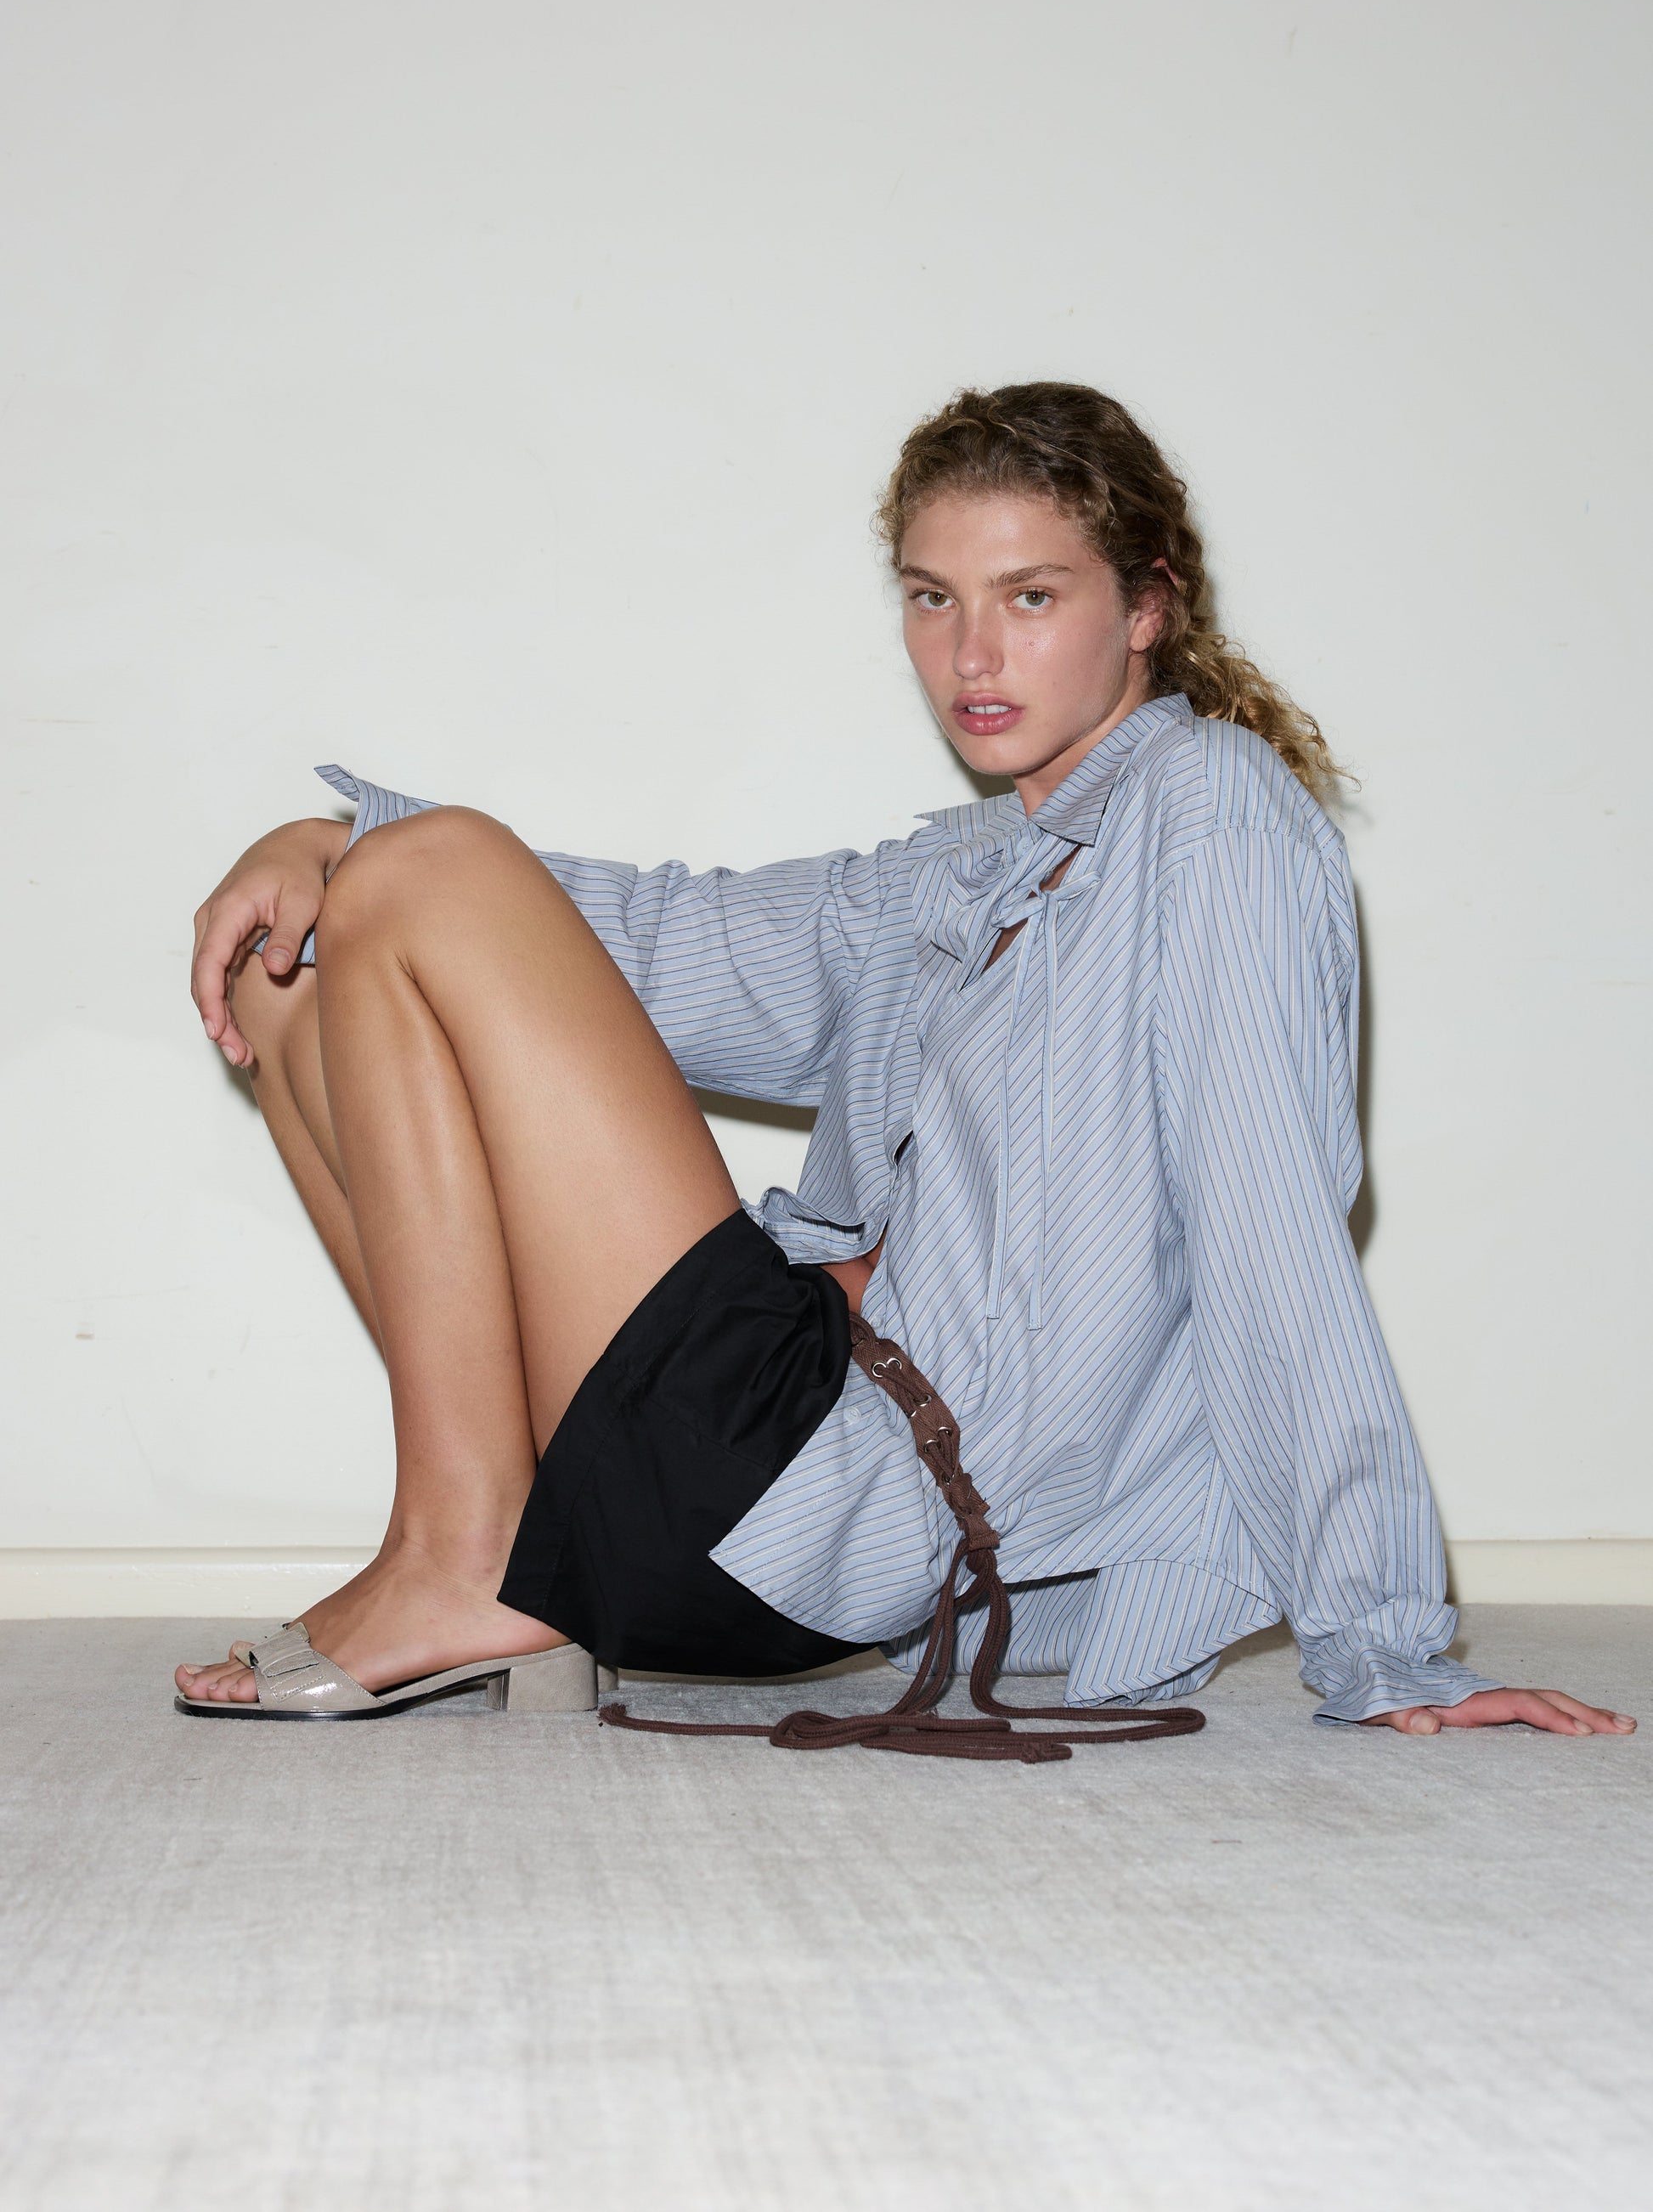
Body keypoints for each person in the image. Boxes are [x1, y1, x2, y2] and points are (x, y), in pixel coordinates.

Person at [176, 383, 1633, 1739]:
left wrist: (1382, 1642)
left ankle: (457, 1556)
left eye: (1030, 597)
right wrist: (320, 842)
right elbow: (649, 936)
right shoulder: (958, 876)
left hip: (833, 1496)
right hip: (739, 1476)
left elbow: (1271, 1242)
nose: (972, 655)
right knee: (316, 952)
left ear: (1146, 609)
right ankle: (491, 1549)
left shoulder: (1213, 821)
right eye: (933, 600)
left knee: (430, 874)